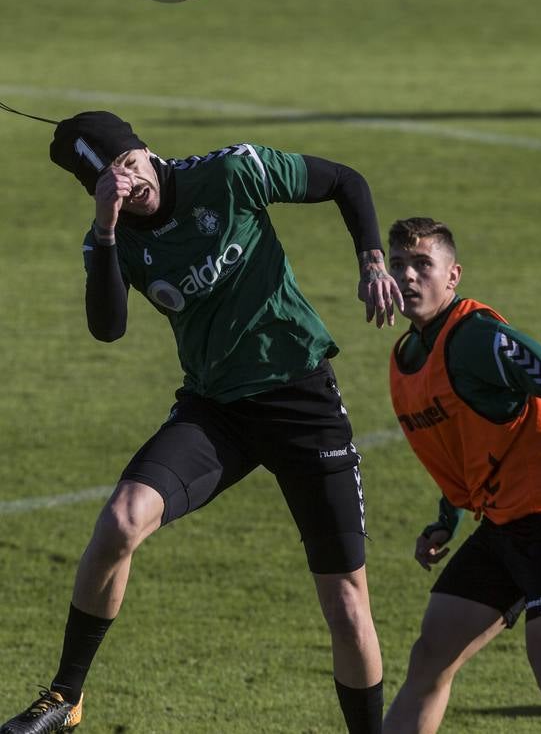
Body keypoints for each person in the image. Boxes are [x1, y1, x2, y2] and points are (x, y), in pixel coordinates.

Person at [0, 111, 402, 734]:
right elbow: (107, 328)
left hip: (303, 402)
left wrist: (372, 262)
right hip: (216, 411)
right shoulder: (110, 240)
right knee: (118, 522)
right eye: (113, 182)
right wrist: (106, 230)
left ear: (148, 150)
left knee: (347, 603)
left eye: (133, 164)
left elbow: (346, 181)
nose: (133, 183)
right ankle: (65, 698)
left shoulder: (232, 172)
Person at [383, 217, 541, 734]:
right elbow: (462, 449)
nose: (408, 277)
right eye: (397, 265)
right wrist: (446, 520)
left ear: (452, 276)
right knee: (431, 654)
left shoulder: (476, 337)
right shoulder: (408, 356)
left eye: (422, 265)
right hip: (503, 526)